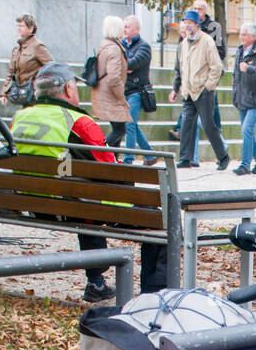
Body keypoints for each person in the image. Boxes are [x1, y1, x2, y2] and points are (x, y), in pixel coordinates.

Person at [11, 62, 166, 301]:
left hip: (38, 204)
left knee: (82, 196)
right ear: (69, 90)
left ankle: (96, 282)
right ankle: (154, 297)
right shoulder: (79, 122)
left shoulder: (19, 118)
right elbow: (111, 170)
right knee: (159, 224)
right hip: (78, 205)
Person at [171, 9, 229, 171]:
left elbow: (217, 67)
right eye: (185, 22)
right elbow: (181, 68)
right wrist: (178, 88)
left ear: (197, 25)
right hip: (188, 91)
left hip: (203, 90)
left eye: (190, 23)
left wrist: (208, 87)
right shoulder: (183, 44)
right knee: (186, 125)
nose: (187, 25)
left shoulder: (207, 41)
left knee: (209, 125)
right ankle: (185, 158)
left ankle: (223, 156)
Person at [232, 23, 256, 175]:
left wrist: (249, 69)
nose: (241, 37)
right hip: (242, 98)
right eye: (241, 34)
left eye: (244, 34)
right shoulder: (240, 51)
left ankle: (245, 164)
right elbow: (236, 77)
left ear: (253, 37)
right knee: (247, 131)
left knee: (247, 129)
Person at [120, 15, 157, 165]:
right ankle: (150, 155)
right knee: (132, 124)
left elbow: (132, 64)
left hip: (137, 92)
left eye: (127, 27)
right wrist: (125, 66)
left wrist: (126, 66)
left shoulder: (144, 46)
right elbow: (123, 63)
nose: (124, 29)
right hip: (125, 91)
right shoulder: (123, 45)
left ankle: (129, 159)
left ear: (136, 29)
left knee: (129, 124)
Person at [91, 16, 131, 149]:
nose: (124, 30)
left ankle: (113, 161)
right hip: (111, 95)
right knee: (119, 130)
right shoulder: (114, 48)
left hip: (103, 93)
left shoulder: (105, 45)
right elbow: (113, 77)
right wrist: (121, 98)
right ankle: (99, 152)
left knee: (118, 128)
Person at [2, 13, 53, 105]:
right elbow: (11, 71)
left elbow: (52, 67)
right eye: (18, 25)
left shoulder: (37, 46)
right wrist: (4, 93)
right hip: (21, 93)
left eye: (22, 26)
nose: (19, 28)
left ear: (31, 28)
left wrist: (38, 83)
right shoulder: (17, 48)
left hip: (35, 95)